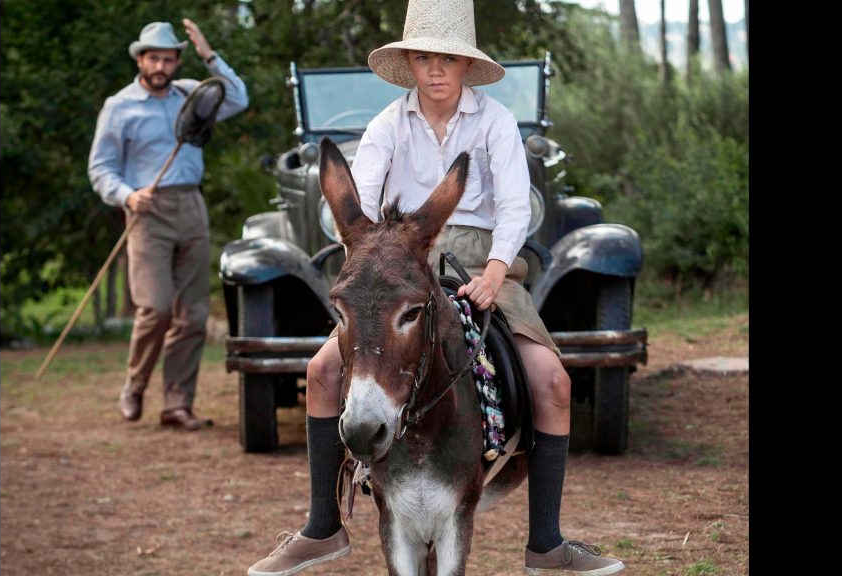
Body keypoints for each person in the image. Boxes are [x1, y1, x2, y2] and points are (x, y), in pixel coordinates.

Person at [247, 1, 625, 574]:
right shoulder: (387, 125)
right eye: (424, 58)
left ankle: (546, 541)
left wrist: (497, 271)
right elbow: (363, 202)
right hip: (401, 261)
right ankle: (323, 524)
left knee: (552, 381)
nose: (437, 71)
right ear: (410, 65)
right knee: (321, 372)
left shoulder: (496, 120)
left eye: (448, 59)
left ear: (466, 65)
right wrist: (378, 256)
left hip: (483, 261)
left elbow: (516, 205)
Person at [88, 19, 248, 431]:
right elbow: (101, 168)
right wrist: (127, 195)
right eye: (153, 58)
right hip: (147, 210)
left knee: (192, 314)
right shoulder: (118, 106)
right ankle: (135, 384)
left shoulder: (191, 93)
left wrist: (209, 55)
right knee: (155, 308)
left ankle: (177, 403)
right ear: (140, 59)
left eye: (168, 58)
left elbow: (238, 98)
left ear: (177, 61)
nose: (160, 65)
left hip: (191, 205)